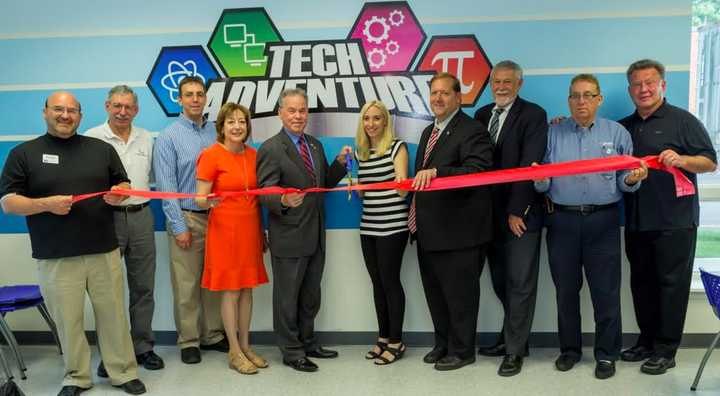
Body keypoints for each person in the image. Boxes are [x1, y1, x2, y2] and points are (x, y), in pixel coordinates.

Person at [0, 91, 146, 396]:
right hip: (56, 255)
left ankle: (122, 372)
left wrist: (120, 192)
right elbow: (9, 203)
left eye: (71, 111)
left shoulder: (101, 149)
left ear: (80, 115)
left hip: (103, 249)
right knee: (69, 321)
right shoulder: (23, 154)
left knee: (114, 316)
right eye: (58, 110)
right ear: (45, 113)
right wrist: (45, 205)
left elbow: (123, 183)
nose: (65, 116)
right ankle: (76, 377)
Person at [534, 74, 648, 380]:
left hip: (604, 221)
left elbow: (624, 180)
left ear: (599, 99)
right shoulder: (552, 133)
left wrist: (633, 179)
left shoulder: (618, 133)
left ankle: (607, 354)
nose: (581, 101)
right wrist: (538, 178)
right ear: (568, 100)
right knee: (566, 291)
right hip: (562, 221)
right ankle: (569, 350)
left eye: (587, 95)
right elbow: (543, 183)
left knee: (606, 292)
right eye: (575, 96)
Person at [619, 59, 717, 374]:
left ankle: (666, 349)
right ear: (630, 89)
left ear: (662, 85)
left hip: (675, 222)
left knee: (671, 286)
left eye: (649, 83)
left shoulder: (682, 121)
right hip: (636, 221)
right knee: (642, 285)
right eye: (637, 84)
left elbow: (710, 162)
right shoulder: (624, 127)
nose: (643, 89)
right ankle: (646, 341)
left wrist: (682, 159)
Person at [256, 88, 352, 372]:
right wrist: (282, 200)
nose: (298, 116)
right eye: (292, 110)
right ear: (280, 113)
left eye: (302, 110)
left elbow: (322, 185)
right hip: (288, 234)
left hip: (315, 234)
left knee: (311, 295)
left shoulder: (314, 145)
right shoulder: (271, 148)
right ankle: (291, 350)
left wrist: (339, 165)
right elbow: (264, 192)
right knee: (287, 298)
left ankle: (308, 341)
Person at [410, 72, 494, 371]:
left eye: (445, 93)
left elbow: (478, 172)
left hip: (460, 233)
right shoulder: (427, 132)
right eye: (434, 93)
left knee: (460, 296)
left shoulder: (472, 130)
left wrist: (439, 172)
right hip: (430, 231)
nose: (438, 98)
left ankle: (462, 350)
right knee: (436, 294)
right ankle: (443, 343)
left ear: (459, 97)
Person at [473, 60, 548, 376]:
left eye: (507, 82)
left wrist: (517, 211)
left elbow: (529, 164)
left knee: (520, 283)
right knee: (500, 281)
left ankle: (515, 351)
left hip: (520, 216)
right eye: (496, 82)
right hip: (488, 216)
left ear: (519, 83)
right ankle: (511, 338)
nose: (501, 87)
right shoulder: (481, 115)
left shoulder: (533, 115)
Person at [85, 85, 164, 376]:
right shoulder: (91, 138)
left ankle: (143, 347)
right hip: (106, 220)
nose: (122, 111)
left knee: (144, 287)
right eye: (117, 105)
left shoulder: (146, 138)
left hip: (142, 217)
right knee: (109, 292)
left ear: (136, 110)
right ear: (107, 106)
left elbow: (154, 180)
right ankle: (112, 354)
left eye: (128, 107)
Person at [153, 76, 227, 365]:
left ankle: (212, 335)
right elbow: (166, 187)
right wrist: (179, 226)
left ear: (206, 97)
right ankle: (189, 340)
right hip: (187, 217)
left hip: (218, 218)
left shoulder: (216, 134)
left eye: (199, 94)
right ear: (179, 99)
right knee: (186, 284)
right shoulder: (168, 137)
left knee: (212, 282)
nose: (195, 99)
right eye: (189, 95)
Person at [195, 103, 269, 375]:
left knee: (247, 289)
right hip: (225, 231)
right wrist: (209, 202)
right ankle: (234, 351)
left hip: (250, 229)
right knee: (232, 290)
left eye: (241, 122)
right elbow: (199, 199)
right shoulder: (210, 155)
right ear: (222, 127)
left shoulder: (254, 154)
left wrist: (262, 232)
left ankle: (247, 347)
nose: (237, 126)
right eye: (231, 122)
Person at [354, 100, 410, 365]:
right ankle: (383, 338)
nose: (371, 124)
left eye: (377, 118)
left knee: (390, 282)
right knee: (378, 285)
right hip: (368, 226)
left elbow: (402, 189)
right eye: (367, 119)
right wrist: (353, 182)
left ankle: (397, 342)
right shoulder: (360, 152)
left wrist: (401, 184)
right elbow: (364, 191)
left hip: (393, 227)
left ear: (385, 121)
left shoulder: (397, 147)